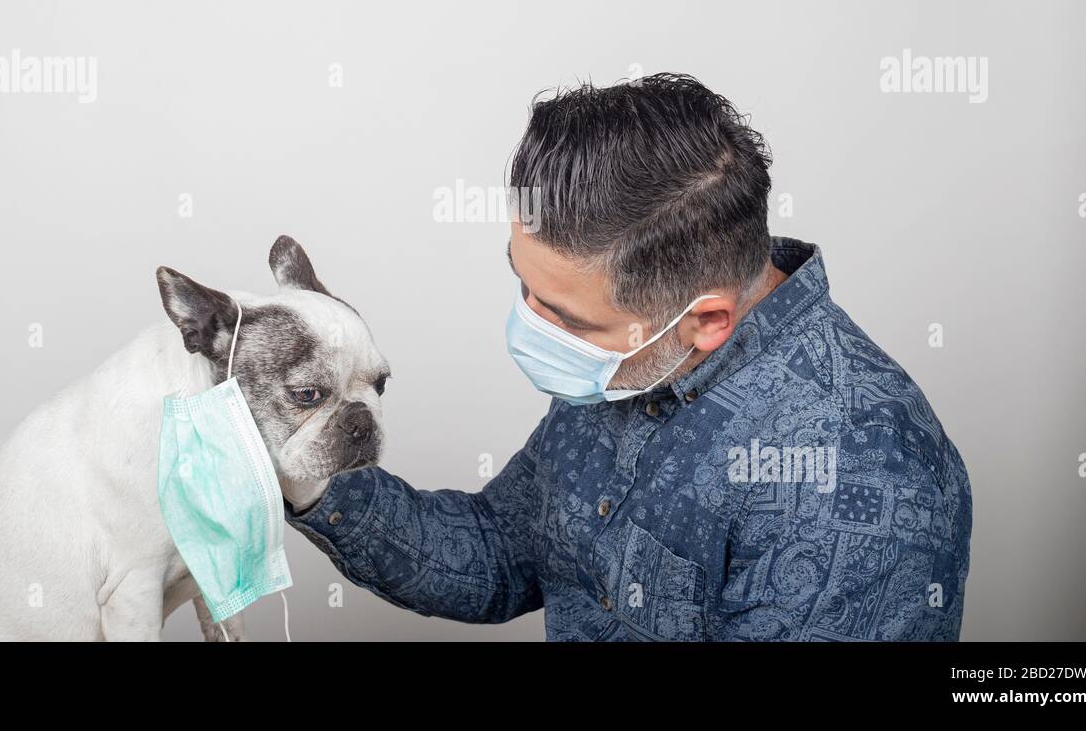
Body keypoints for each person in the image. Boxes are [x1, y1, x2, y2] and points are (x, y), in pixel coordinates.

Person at [284, 73, 973, 641]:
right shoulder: (632, 363)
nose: (529, 325)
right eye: (523, 284)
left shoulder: (864, 478)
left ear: (703, 321)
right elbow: (500, 550)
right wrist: (307, 476)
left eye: (565, 317)